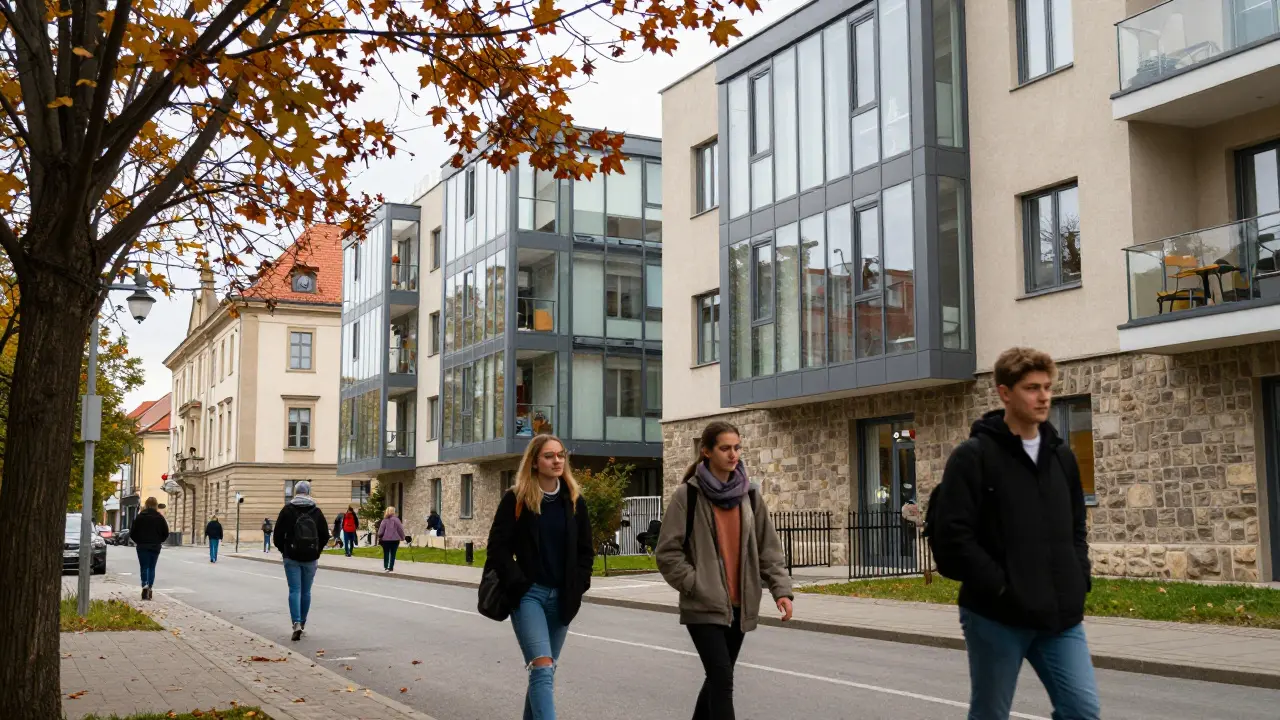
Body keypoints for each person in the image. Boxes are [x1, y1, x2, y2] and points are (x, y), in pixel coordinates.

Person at [929, 347, 1099, 720]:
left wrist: (1079, 577)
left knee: (1082, 711)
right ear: (1005, 393)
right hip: (996, 616)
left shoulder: (1061, 457)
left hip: (1059, 616)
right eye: (1031, 388)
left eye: (1047, 387)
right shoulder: (973, 457)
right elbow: (953, 537)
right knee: (991, 713)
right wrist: (1001, 586)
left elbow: (1076, 528)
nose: (1044, 397)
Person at [655, 421, 794, 720]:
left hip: (738, 605)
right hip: (703, 605)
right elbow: (667, 553)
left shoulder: (750, 496)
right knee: (723, 681)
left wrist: (781, 590)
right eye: (725, 448)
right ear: (706, 452)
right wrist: (695, 583)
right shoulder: (687, 496)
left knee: (718, 678)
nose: (733, 454)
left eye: (737, 447)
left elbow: (768, 548)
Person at [484, 434, 594, 720]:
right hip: (529, 596)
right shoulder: (516, 499)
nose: (557, 460)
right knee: (543, 669)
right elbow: (497, 548)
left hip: (563, 598)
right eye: (549, 456)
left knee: (544, 672)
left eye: (560, 455)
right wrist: (519, 583)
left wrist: (579, 584)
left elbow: (586, 551)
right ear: (534, 462)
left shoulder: (574, 501)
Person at [273, 480, 330, 641]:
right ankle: (303, 622)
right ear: (309, 492)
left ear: (295, 492)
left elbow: (277, 535)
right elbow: (325, 535)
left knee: (294, 590)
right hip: (311, 557)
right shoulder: (316, 511)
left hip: (291, 556)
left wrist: (284, 550)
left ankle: (296, 623)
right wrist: (317, 551)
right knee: (306, 591)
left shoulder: (287, 510)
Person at [129, 497, 170, 600]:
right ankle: (150, 587)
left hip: (142, 545)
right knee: (152, 567)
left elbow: (132, 532)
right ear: (156, 505)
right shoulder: (159, 518)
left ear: (146, 505)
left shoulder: (139, 517)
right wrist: (159, 540)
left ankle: (144, 585)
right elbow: (166, 532)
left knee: (144, 566)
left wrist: (138, 540)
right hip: (155, 545)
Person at [377, 506, 406, 572]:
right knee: (393, 553)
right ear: (393, 512)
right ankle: (391, 567)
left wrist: (380, 535)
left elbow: (380, 531)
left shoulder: (384, 520)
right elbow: (400, 529)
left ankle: (386, 566)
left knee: (386, 553)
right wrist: (402, 537)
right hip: (395, 540)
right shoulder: (397, 520)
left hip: (386, 540)